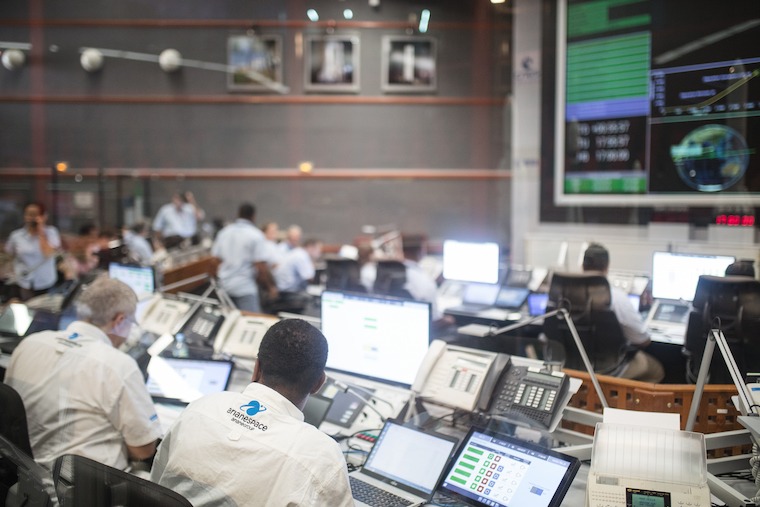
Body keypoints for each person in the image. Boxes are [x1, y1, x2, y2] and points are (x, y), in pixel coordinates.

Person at [150, 318, 354, 506]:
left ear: (256, 368)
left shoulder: (201, 407)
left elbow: (156, 488)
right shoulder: (322, 455)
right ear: (318, 383)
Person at [4, 276, 162, 470]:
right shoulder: (118, 365)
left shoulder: (30, 343)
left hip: (24, 475)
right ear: (119, 321)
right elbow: (143, 449)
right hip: (83, 484)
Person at [582, 243, 665, 383]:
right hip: (611, 368)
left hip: (574, 365)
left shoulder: (564, 296)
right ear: (606, 267)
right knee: (656, 370)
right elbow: (642, 340)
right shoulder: (616, 298)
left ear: (583, 266)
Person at [212, 203, 276, 313]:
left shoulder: (224, 232)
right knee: (250, 320)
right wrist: (270, 287)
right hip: (245, 288)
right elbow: (260, 266)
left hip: (224, 287)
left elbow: (214, 260)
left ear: (238, 214)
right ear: (253, 216)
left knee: (227, 320)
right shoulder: (256, 235)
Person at [4, 202, 62, 301]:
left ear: (43, 216)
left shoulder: (51, 232)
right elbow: (9, 253)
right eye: (29, 214)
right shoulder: (16, 236)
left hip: (45, 281)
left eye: (35, 214)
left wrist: (41, 232)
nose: (32, 218)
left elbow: (48, 253)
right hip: (23, 281)